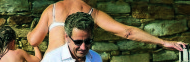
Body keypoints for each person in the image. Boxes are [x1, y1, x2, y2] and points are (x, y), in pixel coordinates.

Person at [27, 0, 185, 53]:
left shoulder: (52, 9)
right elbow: (127, 32)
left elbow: (34, 41)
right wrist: (164, 42)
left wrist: (29, 34)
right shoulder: (91, 12)